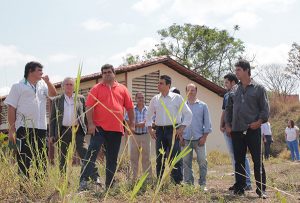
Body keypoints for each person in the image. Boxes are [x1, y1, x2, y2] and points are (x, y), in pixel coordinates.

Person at [79, 64, 135, 190]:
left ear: (114, 73)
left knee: (112, 158)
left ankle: (109, 184)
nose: (106, 74)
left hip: (116, 129)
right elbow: (89, 107)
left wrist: (131, 124)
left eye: (109, 72)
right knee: (91, 153)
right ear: (102, 74)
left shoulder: (123, 89)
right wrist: (91, 124)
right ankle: (83, 181)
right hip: (99, 128)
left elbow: (130, 108)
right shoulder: (96, 88)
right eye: (104, 72)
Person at [225, 59, 269, 198]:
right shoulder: (234, 89)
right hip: (237, 130)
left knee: (257, 160)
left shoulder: (259, 88)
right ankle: (240, 188)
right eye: (236, 69)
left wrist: (259, 121)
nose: (236, 72)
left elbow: (265, 109)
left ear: (246, 70)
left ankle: (261, 190)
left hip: (253, 129)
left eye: (238, 70)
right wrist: (228, 124)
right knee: (238, 160)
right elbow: (229, 108)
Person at [5, 61, 57, 178]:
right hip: (24, 128)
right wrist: (12, 129)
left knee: (42, 159)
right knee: (24, 158)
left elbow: (53, 94)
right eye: (39, 70)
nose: (42, 73)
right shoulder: (18, 86)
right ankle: (24, 189)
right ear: (30, 71)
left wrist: (48, 82)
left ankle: (40, 186)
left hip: (41, 128)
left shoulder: (43, 85)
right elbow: (11, 108)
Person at [146, 75, 192, 184]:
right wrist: (150, 129)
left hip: (173, 131)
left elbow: (188, 114)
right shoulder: (155, 99)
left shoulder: (177, 98)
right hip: (160, 131)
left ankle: (177, 182)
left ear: (168, 85)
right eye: (158, 83)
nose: (158, 85)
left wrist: (182, 128)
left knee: (175, 156)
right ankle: (159, 182)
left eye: (161, 83)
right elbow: (148, 115)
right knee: (159, 158)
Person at [220, 73, 252, 191]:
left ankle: (247, 182)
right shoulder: (226, 95)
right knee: (234, 157)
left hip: (237, 130)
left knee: (241, 156)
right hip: (227, 130)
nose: (225, 85)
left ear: (233, 82)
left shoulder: (240, 93)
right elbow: (224, 111)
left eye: (227, 83)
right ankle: (238, 182)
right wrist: (221, 124)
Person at [49, 77, 88, 173]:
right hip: (63, 131)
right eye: (67, 84)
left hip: (78, 130)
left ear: (74, 87)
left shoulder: (81, 99)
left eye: (71, 84)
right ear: (63, 87)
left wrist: (86, 128)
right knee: (63, 156)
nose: (69, 86)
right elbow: (52, 119)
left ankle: (90, 177)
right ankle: (63, 180)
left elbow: (85, 114)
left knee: (84, 152)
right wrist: (51, 135)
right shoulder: (57, 100)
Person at [182, 83, 211, 191]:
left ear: (196, 91)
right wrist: (180, 137)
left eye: (193, 90)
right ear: (186, 92)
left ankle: (203, 184)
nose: (191, 92)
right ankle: (189, 184)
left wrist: (204, 137)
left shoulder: (203, 106)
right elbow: (179, 123)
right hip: (185, 140)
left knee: (202, 161)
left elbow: (207, 123)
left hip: (199, 139)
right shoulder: (182, 106)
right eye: (188, 90)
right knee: (186, 162)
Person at [126, 92, 152, 180]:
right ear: (135, 99)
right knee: (133, 158)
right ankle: (134, 179)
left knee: (146, 158)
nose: (141, 99)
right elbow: (126, 120)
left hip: (145, 135)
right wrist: (137, 125)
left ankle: (148, 179)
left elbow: (154, 120)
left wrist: (146, 123)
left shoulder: (149, 109)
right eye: (139, 98)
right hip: (134, 136)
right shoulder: (131, 110)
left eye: (142, 97)